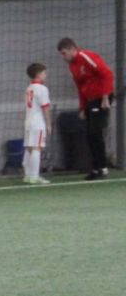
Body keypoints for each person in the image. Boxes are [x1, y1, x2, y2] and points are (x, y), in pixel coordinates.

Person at [57, 37, 115, 180]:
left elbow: (107, 74)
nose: (63, 57)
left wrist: (105, 97)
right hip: (90, 100)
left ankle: (103, 168)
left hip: (101, 98)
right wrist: (82, 107)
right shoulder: (72, 66)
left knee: (96, 132)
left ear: (72, 49)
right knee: (89, 134)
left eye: (64, 53)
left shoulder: (86, 57)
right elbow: (80, 87)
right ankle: (96, 168)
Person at [23, 63, 53, 185]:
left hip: (28, 121)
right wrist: (49, 123)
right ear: (38, 74)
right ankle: (34, 176)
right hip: (37, 123)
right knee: (37, 148)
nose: (46, 75)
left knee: (29, 148)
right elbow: (45, 107)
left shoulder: (29, 88)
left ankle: (28, 175)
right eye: (44, 73)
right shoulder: (42, 89)